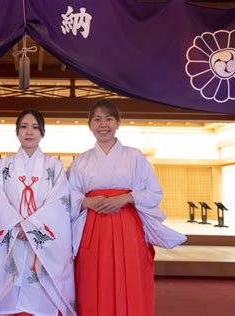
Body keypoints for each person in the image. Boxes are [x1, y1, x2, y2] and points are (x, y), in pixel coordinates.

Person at [67, 99, 186, 316]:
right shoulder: (81, 161)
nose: (103, 124)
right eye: (97, 119)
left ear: (118, 123)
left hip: (127, 224)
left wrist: (127, 198)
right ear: (89, 125)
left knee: (130, 275)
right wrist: (86, 201)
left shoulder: (134, 156)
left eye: (109, 118)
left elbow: (153, 192)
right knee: (92, 278)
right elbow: (66, 196)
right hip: (93, 227)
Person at [0, 109, 76, 316]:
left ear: (42, 132)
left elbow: (58, 204)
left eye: (35, 127)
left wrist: (29, 229)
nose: (29, 132)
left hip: (40, 243)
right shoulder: (1, 167)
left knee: (41, 297)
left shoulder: (54, 167)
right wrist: (17, 228)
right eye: (24, 127)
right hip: (11, 238)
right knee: (7, 293)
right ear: (17, 131)